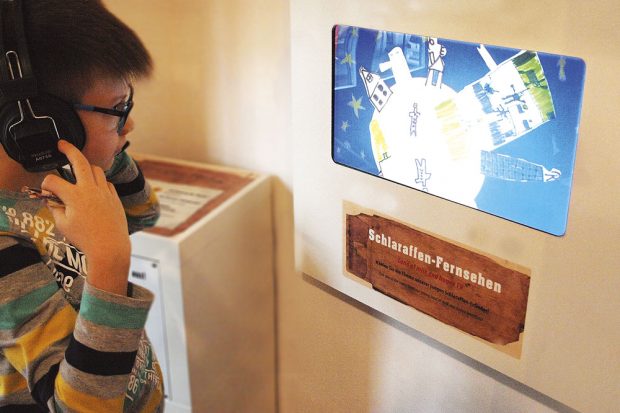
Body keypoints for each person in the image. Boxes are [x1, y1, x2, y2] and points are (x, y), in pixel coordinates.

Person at [0, 0, 163, 411]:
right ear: (42, 123)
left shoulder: (56, 175)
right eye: (117, 110)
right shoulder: (4, 247)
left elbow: (143, 212)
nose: (129, 124)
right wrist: (109, 262)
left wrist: (108, 150)